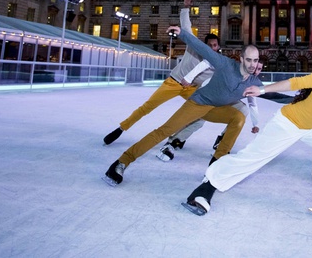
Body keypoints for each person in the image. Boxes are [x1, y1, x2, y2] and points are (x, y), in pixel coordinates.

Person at [182, 50, 312, 220]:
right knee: (254, 157)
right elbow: (295, 83)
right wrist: (262, 90)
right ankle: (206, 188)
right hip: (288, 123)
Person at [103, 26, 263, 186]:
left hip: (216, 109)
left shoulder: (253, 82)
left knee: (239, 117)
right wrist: (183, 34)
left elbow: (272, 92)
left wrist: (287, 94)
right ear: (242, 59)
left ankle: (215, 165)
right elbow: (202, 49)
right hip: (198, 103)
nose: (252, 64)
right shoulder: (225, 64)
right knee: (165, 131)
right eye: (248, 59)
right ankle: (121, 162)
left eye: (255, 60)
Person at [102, 0, 217, 146]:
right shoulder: (194, 46)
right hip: (174, 83)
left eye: (215, 46)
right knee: (148, 107)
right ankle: (121, 128)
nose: (213, 48)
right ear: (204, 45)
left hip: (191, 89)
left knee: (201, 114)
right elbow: (186, 25)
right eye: (210, 45)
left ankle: (178, 138)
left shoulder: (217, 64)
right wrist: (186, 6)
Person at [156, 60, 264, 161]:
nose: (256, 71)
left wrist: (255, 123)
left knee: (243, 110)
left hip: (224, 100)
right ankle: (174, 141)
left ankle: (222, 143)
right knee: (199, 120)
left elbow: (252, 103)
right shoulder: (235, 72)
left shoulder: (251, 82)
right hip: (208, 94)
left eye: (259, 69)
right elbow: (208, 69)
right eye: (255, 67)